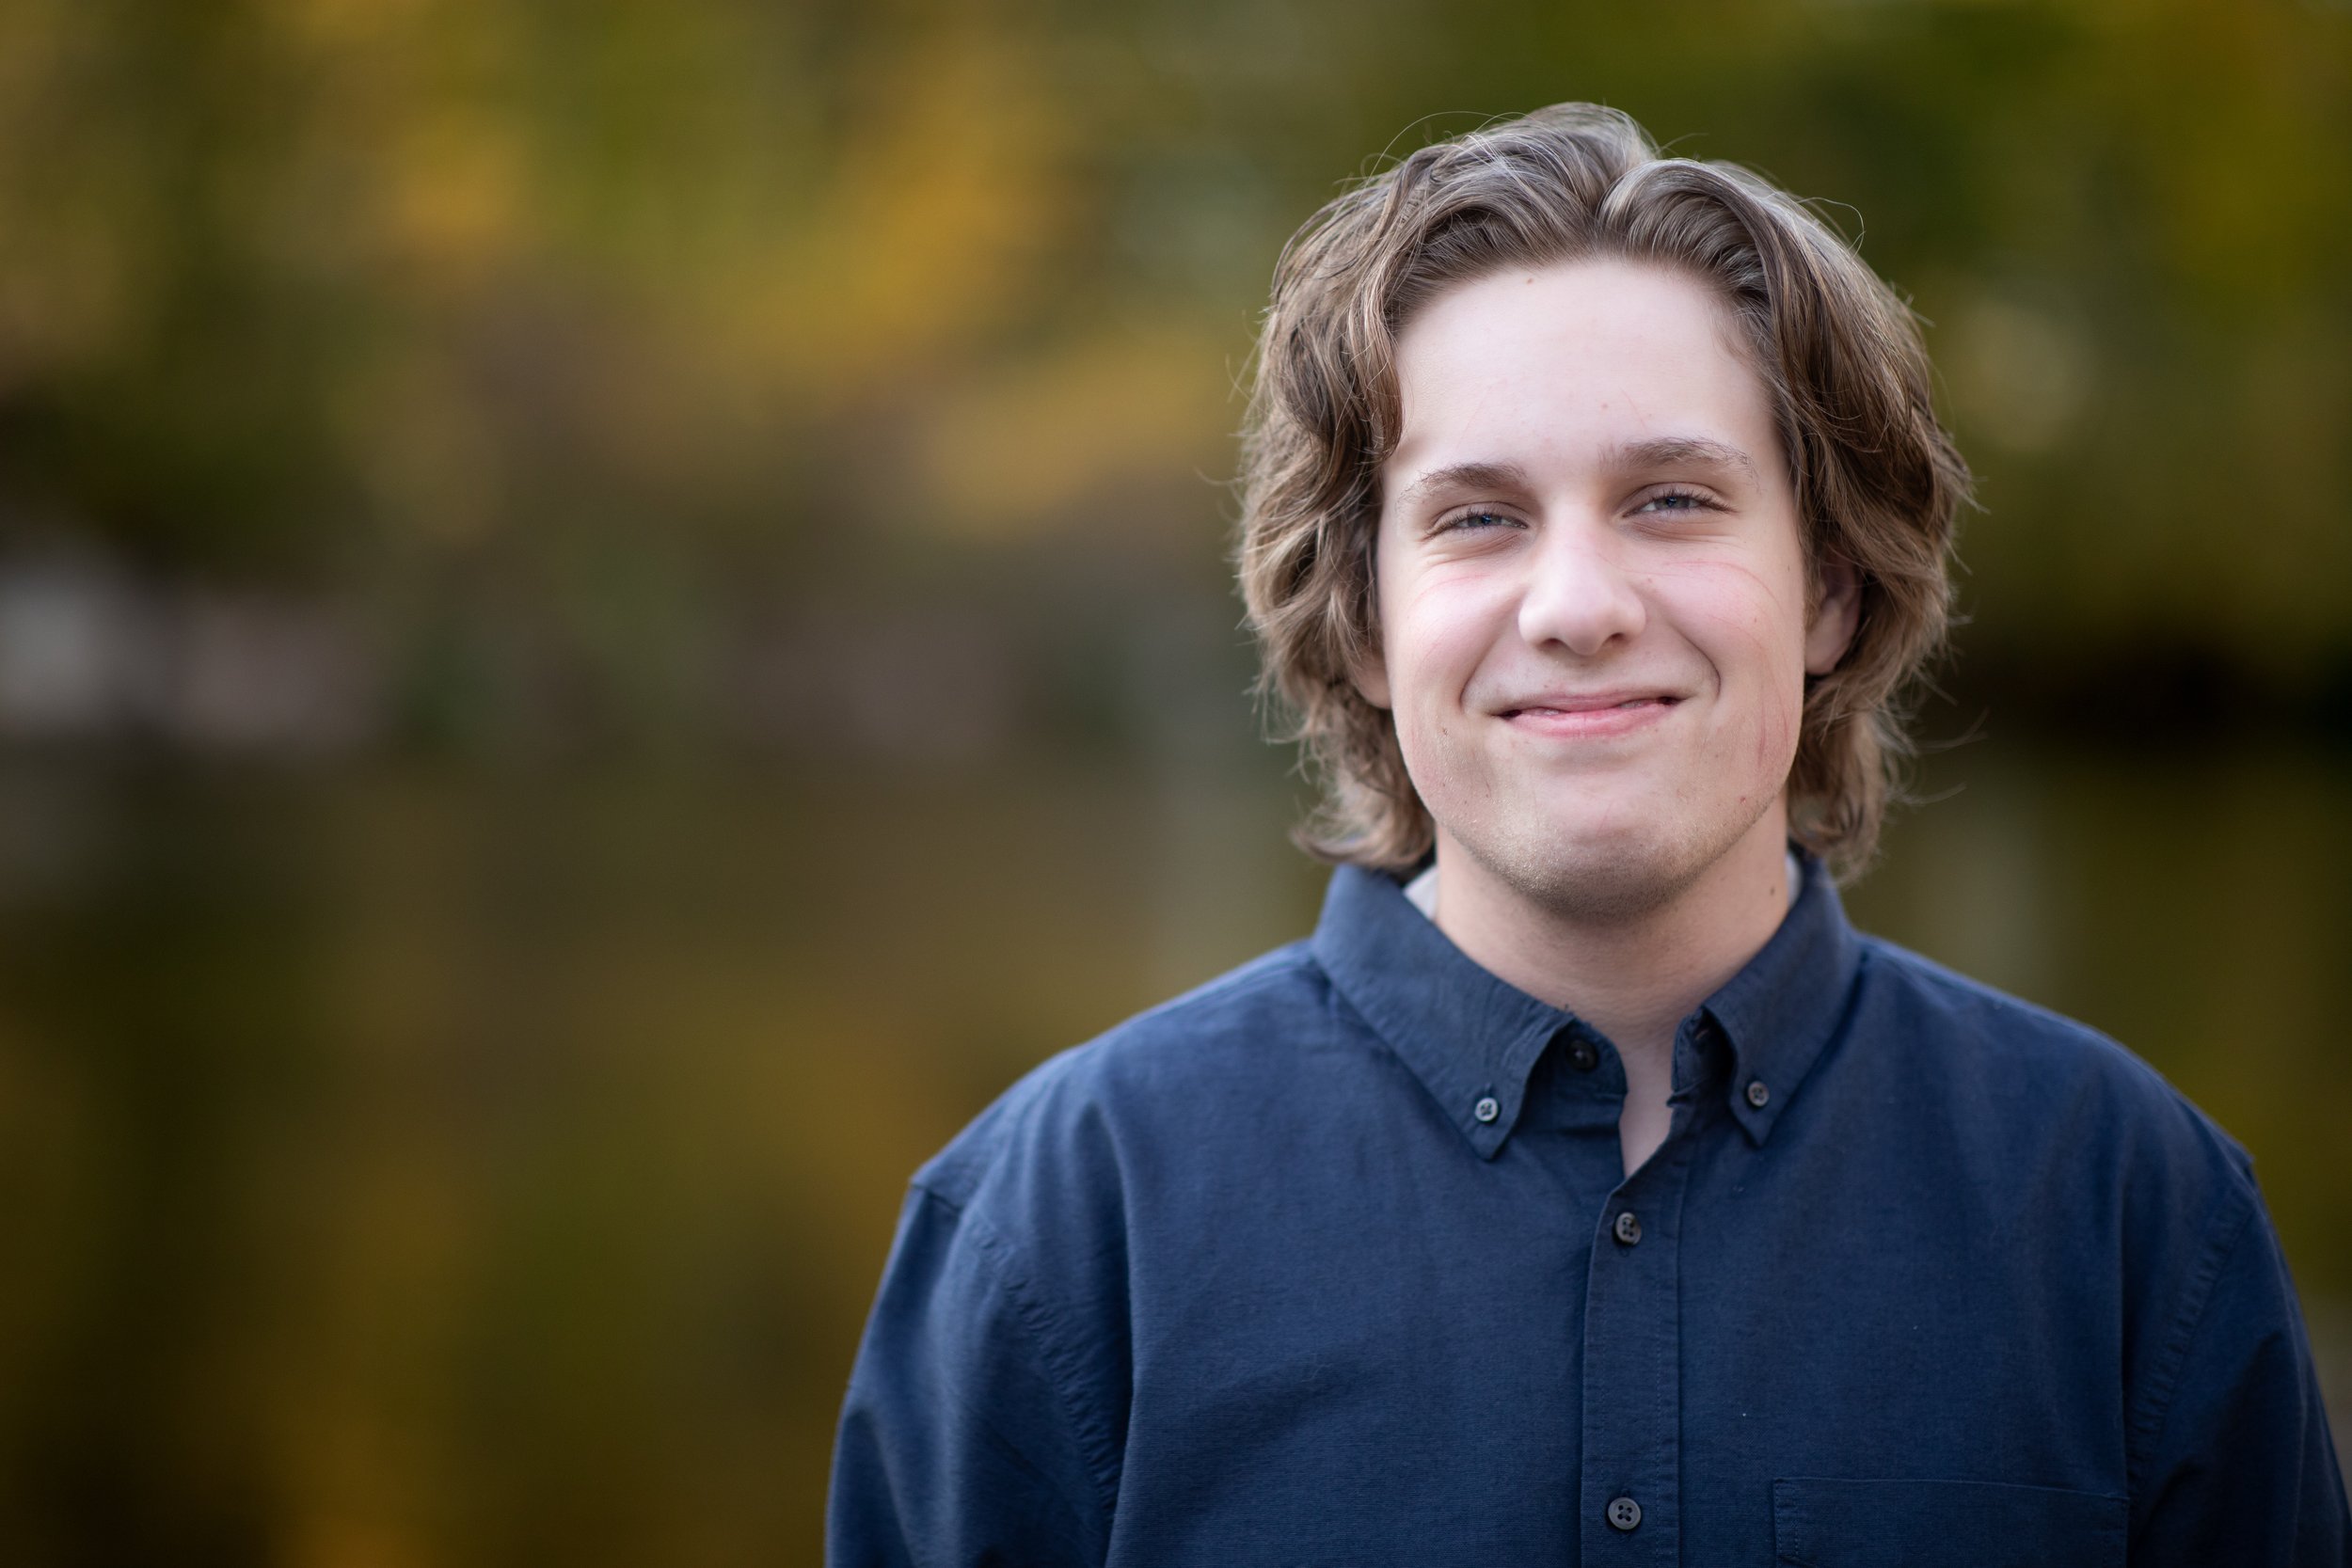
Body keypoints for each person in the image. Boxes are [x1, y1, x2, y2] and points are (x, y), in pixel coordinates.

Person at [827, 103, 2350, 1565]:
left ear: (1826, 587)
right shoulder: (1053, 1229)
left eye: (1674, 499)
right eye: (1479, 518)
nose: (1577, 607)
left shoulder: (2126, 1213)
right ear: (1364, 622)